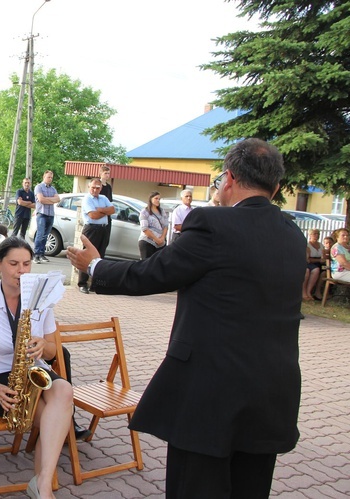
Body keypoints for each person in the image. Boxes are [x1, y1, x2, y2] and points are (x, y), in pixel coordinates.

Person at [67, 138, 305, 498]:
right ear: (274, 184)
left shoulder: (213, 223)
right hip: (272, 391)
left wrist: (95, 266)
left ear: (228, 178)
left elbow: (152, 274)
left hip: (211, 393)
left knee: (195, 487)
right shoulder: (292, 234)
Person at [0, 237, 73, 499]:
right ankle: (43, 488)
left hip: (32, 369)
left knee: (64, 391)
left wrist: (41, 345)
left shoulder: (41, 301)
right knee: (49, 412)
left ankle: (43, 483)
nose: (21, 271)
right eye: (13, 264)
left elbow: (52, 351)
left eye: (26, 264)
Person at [77, 178, 114, 294]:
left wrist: (100, 210)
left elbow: (112, 210)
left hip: (104, 229)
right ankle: (82, 283)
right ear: (89, 187)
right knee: (87, 255)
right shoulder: (87, 199)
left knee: (100, 257)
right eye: (93, 187)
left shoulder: (103, 198)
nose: (95, 190)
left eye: (97, 188)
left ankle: (96, 284)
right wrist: (104, 212)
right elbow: (92, 215)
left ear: (101, 188)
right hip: (91, 229)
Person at [33, 170, 60, 264]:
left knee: (46, 236)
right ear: (44, 177)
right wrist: (51, 200)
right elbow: (41, 199)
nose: (50, 179)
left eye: (51, 177)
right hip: (42, 214)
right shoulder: (39, 187)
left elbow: (58, 199)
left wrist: (47, 199)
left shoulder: (53, 189)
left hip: (50, 214)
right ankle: (36, 255)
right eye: (48, 177)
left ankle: (42, 254)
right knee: (40, 235)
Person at [138, 191, 168, 259]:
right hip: (148, 241)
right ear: (151, 199)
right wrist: (155, 239)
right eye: (156, 198)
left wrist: (162, 238)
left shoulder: (162, 211)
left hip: (160, 243)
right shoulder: (145, 212)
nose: (158, 200)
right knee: (146, 264)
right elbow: (144, 228)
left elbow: (166, 225)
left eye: (159, 199)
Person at [303, 229, 324, 300]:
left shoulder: (321, 245)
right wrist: (319, 260)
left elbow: (323, 255)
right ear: (310, 235)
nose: (317, 235)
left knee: (323, 272)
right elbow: (308, 259)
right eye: (314, 234)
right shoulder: (307, 245)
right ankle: (304, 292)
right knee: (313, 270)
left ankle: (311, 292)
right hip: (311, 263)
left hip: (320, 263)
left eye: (318, 234)